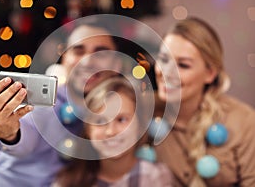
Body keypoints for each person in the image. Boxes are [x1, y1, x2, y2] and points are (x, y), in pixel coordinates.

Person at [0, 20, 123, 186]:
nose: (87, 62)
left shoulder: (121, 111)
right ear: (64, 59)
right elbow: (24, 133)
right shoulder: (43, 102)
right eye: (78, 51)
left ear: (117, 64)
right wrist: (8, 131)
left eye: (100, 53)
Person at [153, 17, 255, 187]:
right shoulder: (143, 110)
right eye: (163, 59)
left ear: (210, 73)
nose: (166, 72)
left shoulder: (243, 120)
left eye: (183, 65)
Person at [52, 77, 174, 187]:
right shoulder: (67, 181)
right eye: (100, 121)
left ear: (140, 127)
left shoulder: (157, 178)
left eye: (121, 120)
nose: (110, 131)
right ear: (88, 129)